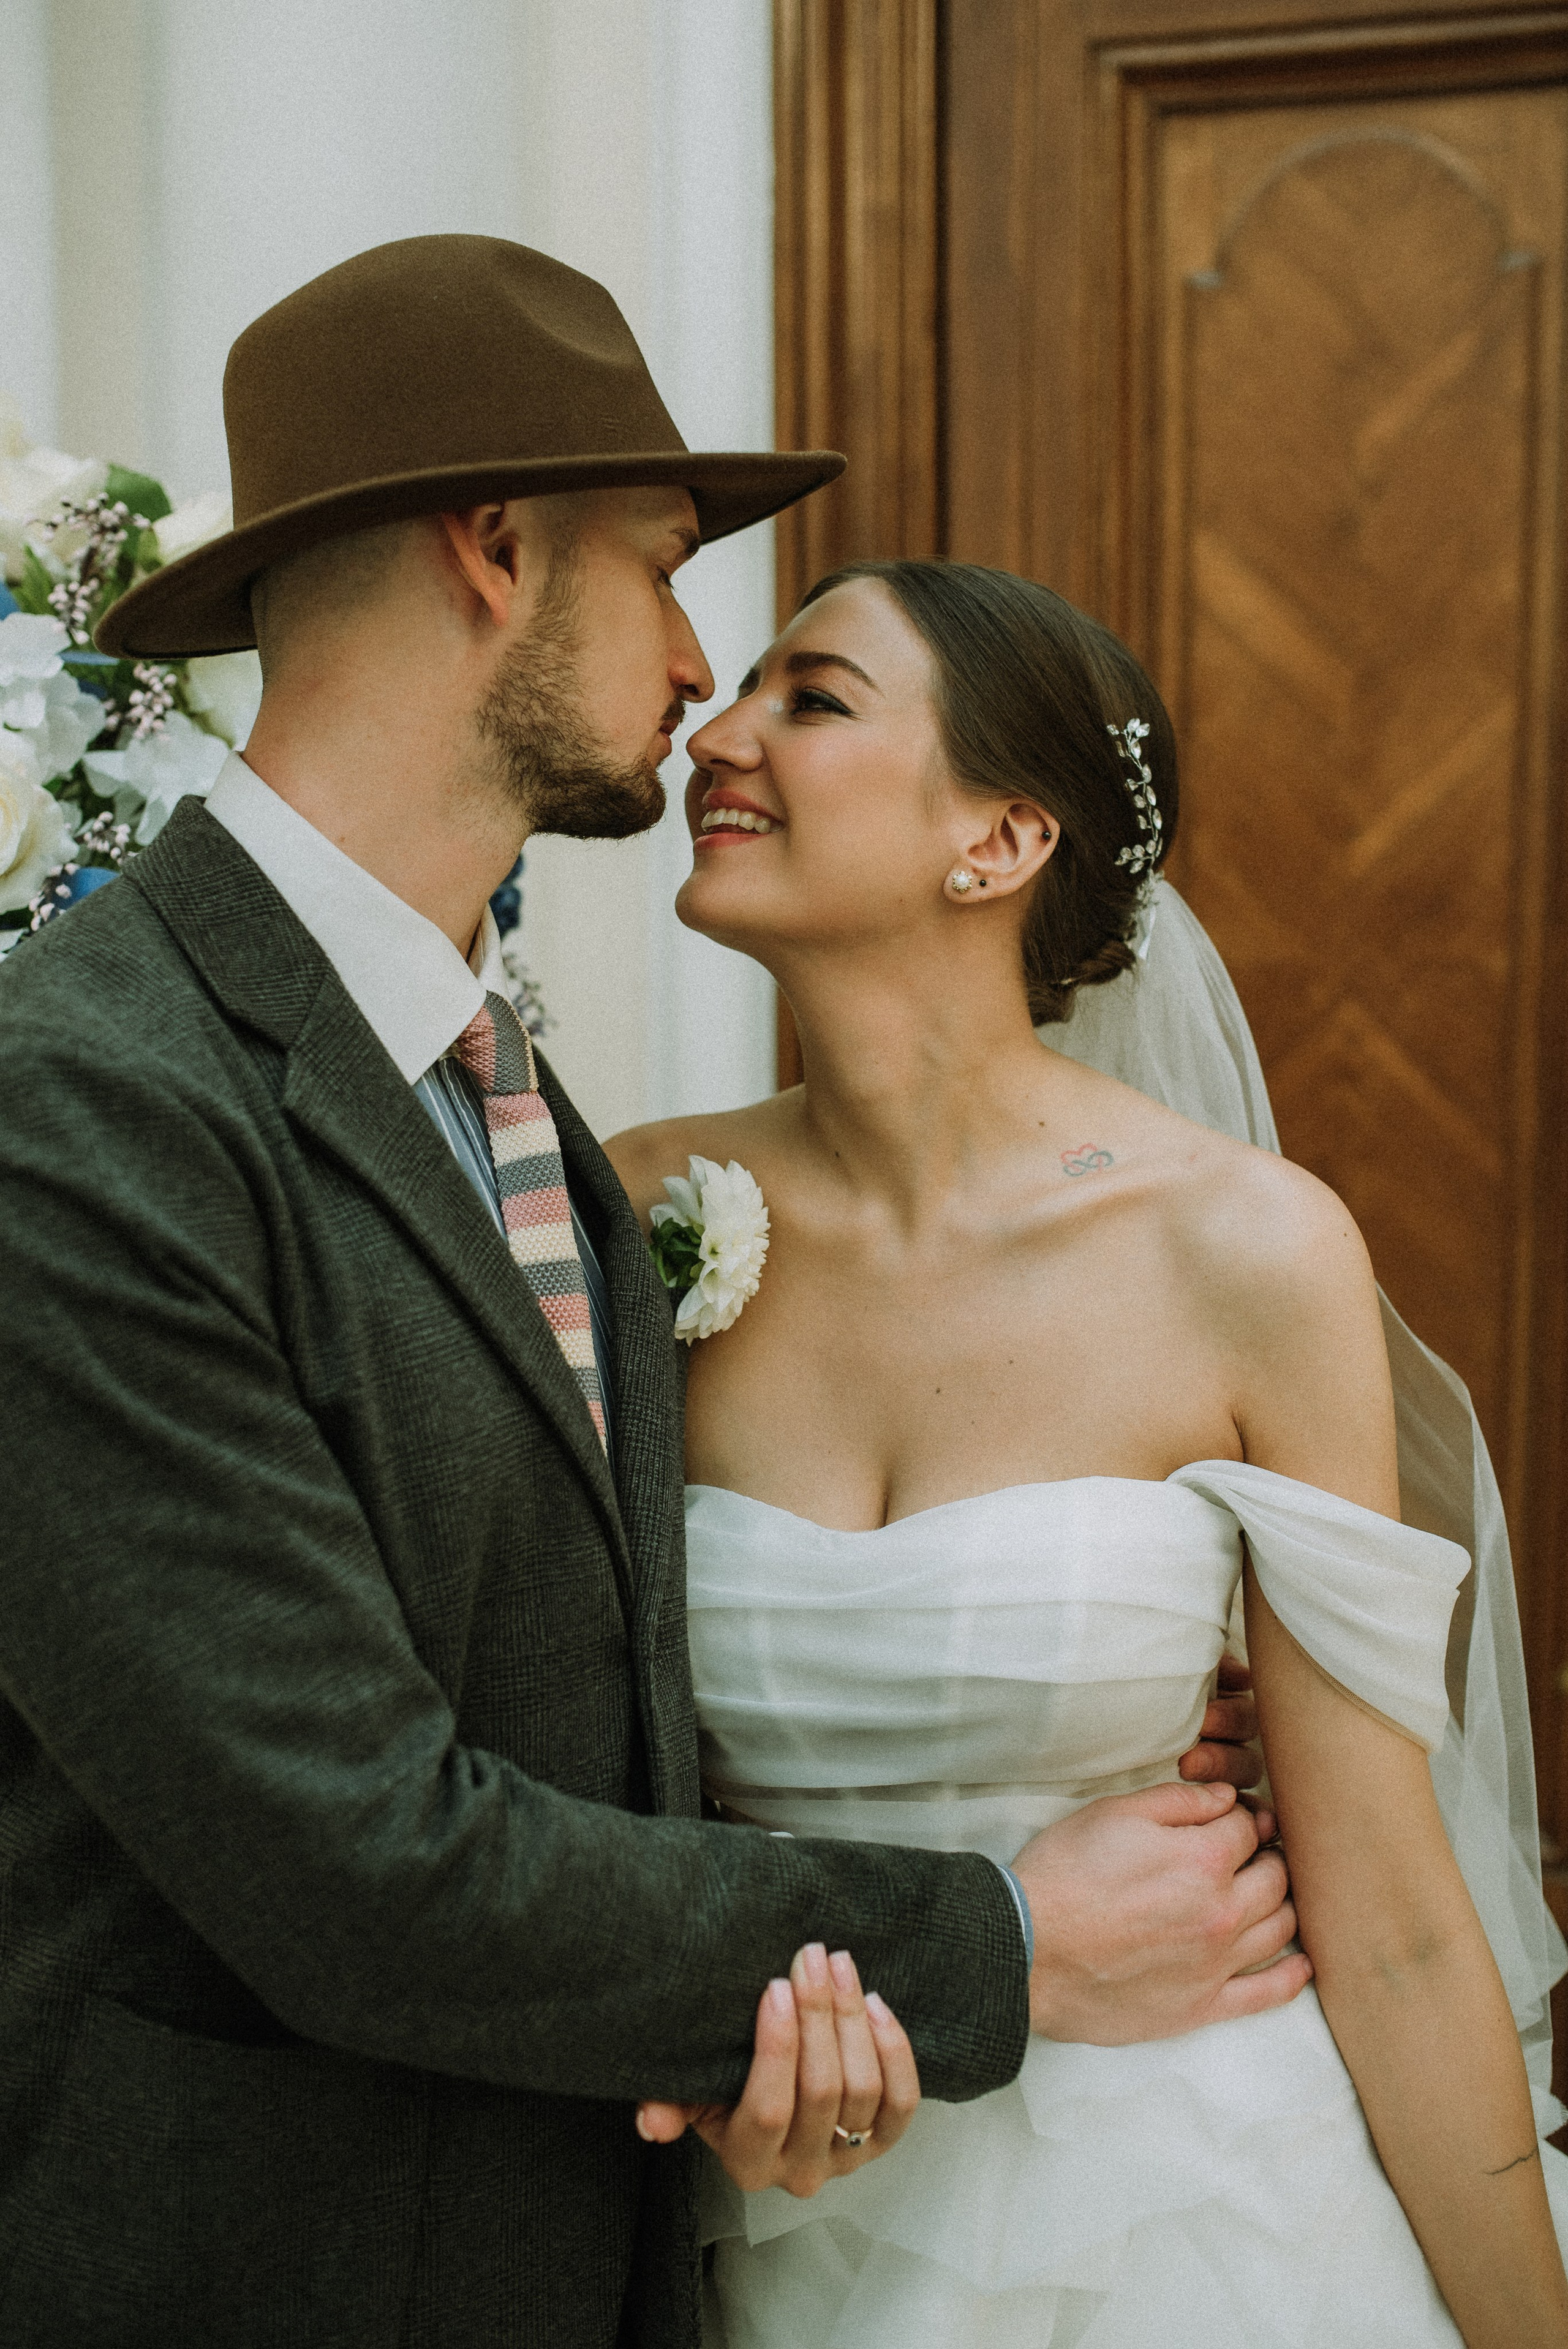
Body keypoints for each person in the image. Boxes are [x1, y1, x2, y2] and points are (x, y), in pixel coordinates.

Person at [0, 242, 1302, 2349]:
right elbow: (356, 1861)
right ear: (497, 550)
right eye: (670, 565)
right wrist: (995, 1935)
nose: (702, 666)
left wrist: (762, 2044)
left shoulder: (514, 1088)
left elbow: (577, 1704)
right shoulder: (87, 1097)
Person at [607, 557, 1568, 2347]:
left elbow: (1398, 1918)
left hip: (1191, 2214)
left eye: (809, 700)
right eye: (737, 690)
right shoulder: (633, 1210)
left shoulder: (1249, 1252)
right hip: (759, 2199)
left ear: (1001, 841)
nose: (713, 737)